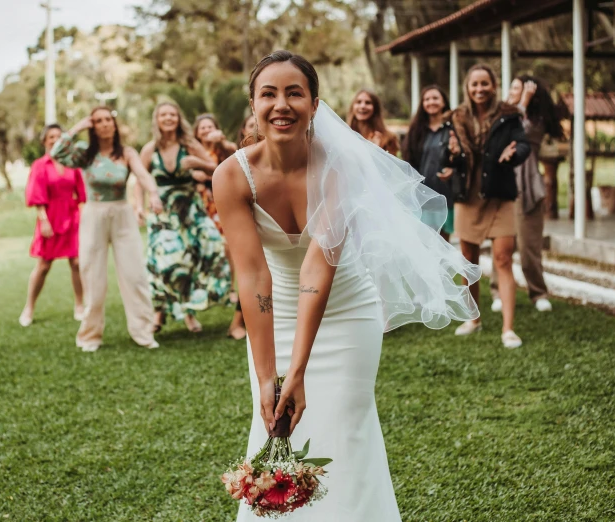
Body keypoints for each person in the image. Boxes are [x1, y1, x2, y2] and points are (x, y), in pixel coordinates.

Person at [214, 50, 479, 521]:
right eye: (268, 93)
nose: (282, 104)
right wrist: (269, 377)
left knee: (346, 424)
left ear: (315, 104)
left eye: (295, 93)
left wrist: (298, 371)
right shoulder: (232, 175)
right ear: (253, 104)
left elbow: (318, 267)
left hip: (347, 308)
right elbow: (255, 276)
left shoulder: (340, 165)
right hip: (279, 313)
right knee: (275, 424)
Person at [52, 106, 164, 352]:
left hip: (122, 214)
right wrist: (78, 127)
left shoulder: (126, 153)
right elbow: (57, 152)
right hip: (94, 215)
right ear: (93, 126)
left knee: (135, 275)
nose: (104, 124)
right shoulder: (85, 154)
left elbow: (143, 175)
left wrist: (153, 194)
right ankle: (90, 335)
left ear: (114, 124)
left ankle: (143, 333)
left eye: (107, 120)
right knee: (92, 276)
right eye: (98, 121)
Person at [134, 101, 233, 335]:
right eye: (163, 115)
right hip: (163, 213)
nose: (168, 118)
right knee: (166, 262)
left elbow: (216, 168)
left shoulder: (189, 144)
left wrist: (198, 164)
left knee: (211, 247)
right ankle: (161, 312)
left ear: (179, 119)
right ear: (157, 120)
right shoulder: (150, 149)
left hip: (190, 211)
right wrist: (140, 204)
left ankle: (189, 310)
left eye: (173, 115)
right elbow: (140, 178)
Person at [450, 64, 531, 349]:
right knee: (469, 262)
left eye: (485, 84)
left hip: (500, 195)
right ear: (467, 88)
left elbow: (524, 145)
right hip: (468, 195)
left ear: (494, 86)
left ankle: (508, 329)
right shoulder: (457, 117)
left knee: (503, 259)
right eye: (475, 85)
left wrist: (514, 153)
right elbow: (452, 156)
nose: (480, 89)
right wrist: (451, 156)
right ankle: (474, 318)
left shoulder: (509, 115)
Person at [490, 76, 563, 314]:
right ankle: (497, 291)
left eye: (519, 89)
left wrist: (523, 102)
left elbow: (520, 130)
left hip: (527, 185)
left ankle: (538, 292)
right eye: (511, 88)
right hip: (501, 182)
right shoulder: (499, 113)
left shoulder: (536, 119)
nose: (513, 92)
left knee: (529, 244)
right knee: (501, 243)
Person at [19, 124, 86, 327]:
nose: (56, 139)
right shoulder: (40, 165)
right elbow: (36, 195)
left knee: (76, 263)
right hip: (50, 217)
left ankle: (80, 305)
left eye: (59, 136)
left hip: (72, 216)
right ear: (44, 141)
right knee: (44, 266)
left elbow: (81, 192)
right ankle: (29, 307)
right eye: (51, 136)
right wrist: (44, 220)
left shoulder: (72, 164)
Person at [194, 113, 247, 339]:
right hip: (200, 204)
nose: (206, 130)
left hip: (220, 204)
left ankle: (230, 288)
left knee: (228, 247)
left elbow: (232, 154)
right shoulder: (194, 151)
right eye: (202, 127)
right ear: (196, 132)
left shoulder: (223, 148)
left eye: (209, 126)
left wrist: (221, 142)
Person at [402, 85, 459, 241]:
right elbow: (409, 160)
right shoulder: (416, 130)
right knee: (424, 241)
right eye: (427, 99)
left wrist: (453, 169)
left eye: (435, 98)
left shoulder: (454, 128)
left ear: (443, 102)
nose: (431, 102)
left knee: (444, 241)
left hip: (447, 194)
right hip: (423, 194)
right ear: (422, 104)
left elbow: (461, 157)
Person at [347, 89, 400, 155]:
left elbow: (391, 164)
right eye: (358, 102)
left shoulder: (389, 138)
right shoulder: (344, 135)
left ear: (375, 108)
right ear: (352, 107)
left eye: (368, 102)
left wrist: (376, 150)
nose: (362, 106)